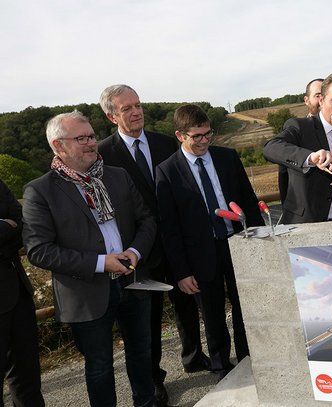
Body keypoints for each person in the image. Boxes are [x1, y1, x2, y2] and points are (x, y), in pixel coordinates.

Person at [22, 111, 156, 407]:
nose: (91, 143)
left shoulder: (117, 175)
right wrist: (100, 262)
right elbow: (39, 250)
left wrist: (134, 252)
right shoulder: (40, 191)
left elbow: (146, 220)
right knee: (99, 367)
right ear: (59, 146)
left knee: (142, 353)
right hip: (86, 292)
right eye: (81, 138)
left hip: (132, 279)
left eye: (92, 136)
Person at [97, 85, 209, 404]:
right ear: (111, 116)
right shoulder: (104, 153)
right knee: (148, 319)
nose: (136, 112)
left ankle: (193, 356)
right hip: (139, 249)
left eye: (138, 105)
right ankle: (154, 379)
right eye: (126, 108)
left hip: (177, 240)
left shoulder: (165, 142)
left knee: (187, 302)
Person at [155, 104, 263, 380]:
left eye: (207, 134)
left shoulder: (227, 157)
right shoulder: (167, 171)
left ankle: (250, 360)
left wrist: (260, 240)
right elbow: (169, 227)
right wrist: (181, 271)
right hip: (200, 254)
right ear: (180, 135)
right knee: (213, 315)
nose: (204, 141)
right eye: (196, 136)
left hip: (238, 243)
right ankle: (222, 368)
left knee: (245, 305)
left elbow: (249, 202)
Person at [263, 72, 332, 224]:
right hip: (310, 228)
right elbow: (271, 148)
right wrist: (310, 158)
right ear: (322, 100)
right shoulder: (300, 127)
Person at [0, 180, 45, 407]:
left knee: (28, 381)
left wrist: (8, 229)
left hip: (17, 294)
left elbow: (23, 224)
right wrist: (5, 228)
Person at [279, 78, 324, 204]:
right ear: (306, 100)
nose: (322, 100)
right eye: (317, 95)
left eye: (325, 95)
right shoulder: (296, 129)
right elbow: (284, 173)